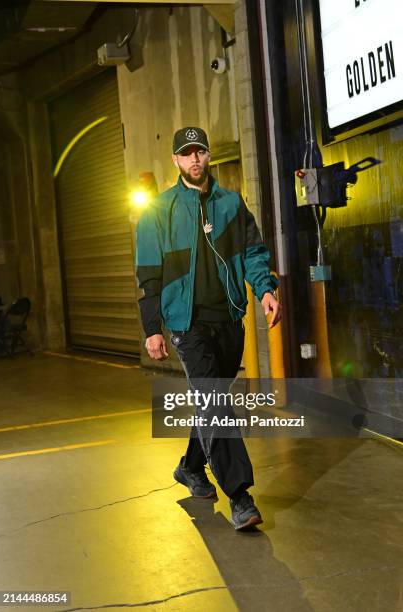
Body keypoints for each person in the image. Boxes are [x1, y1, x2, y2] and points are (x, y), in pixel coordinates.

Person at [136, 127, 281, 530]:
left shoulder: (231, 204)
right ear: (176, 161)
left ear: (208, 157)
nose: (194, 159)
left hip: (230, 317)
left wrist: (265, 290)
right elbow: (148, 274)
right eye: (187, 154)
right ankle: (240, 495)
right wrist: (153, 328)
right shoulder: (158, 211)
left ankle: (190, 467)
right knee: (216, 401)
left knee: (211, 400)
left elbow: (253, 252)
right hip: (187, 324)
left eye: (200, 152)